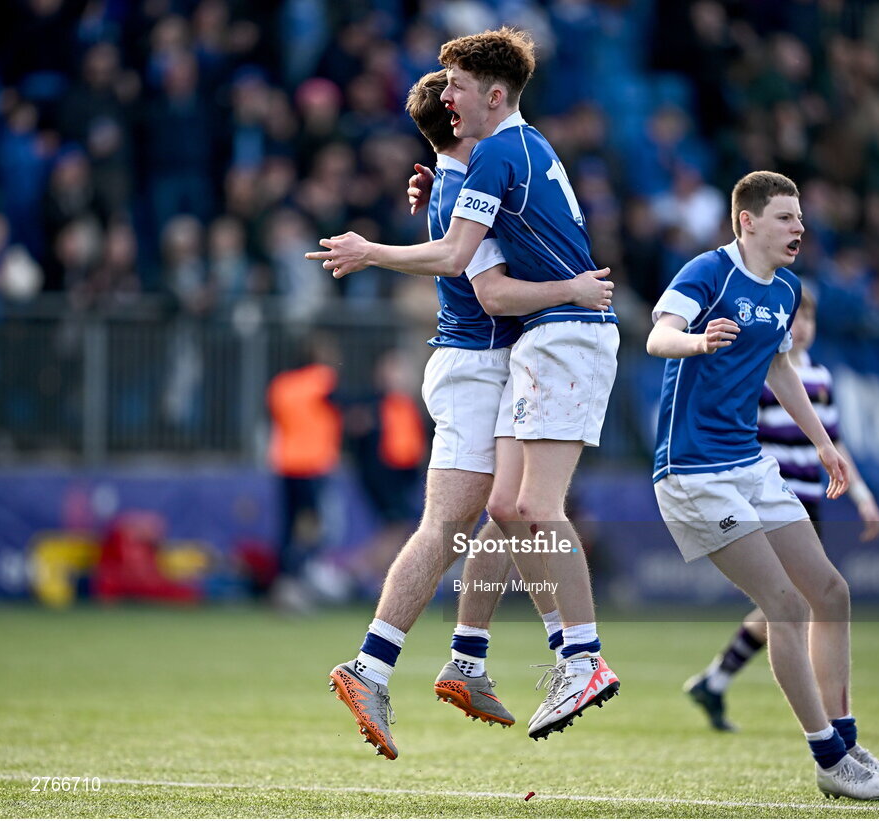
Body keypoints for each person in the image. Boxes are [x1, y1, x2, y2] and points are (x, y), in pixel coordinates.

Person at [309, 28, 621, 751]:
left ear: (487, 98)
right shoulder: (482, 169)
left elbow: (465, 253)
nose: (450, 96)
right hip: (480, 361)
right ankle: (397, 663)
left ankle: (468, 658)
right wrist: (571, 285)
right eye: (445, 90)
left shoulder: (481, 169)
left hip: (498, 358)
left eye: (456, 85)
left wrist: (389, 233)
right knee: (470, 520)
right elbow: (483, 284)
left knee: (505, 512)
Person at [646, 170, 879, 800]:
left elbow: (780, 366)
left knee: (831, 592)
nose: (799, 228)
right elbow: (656, 338)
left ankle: (846, 743)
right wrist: (696, 340)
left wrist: (825, 447)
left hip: (748, 465)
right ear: (748, 222)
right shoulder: (707, 273)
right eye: (786, 217)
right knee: (785, 607)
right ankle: (829, 760)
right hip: (692, 471)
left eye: (799, 217)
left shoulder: (788, 289)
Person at [684, 285, 879, 732]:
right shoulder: (763, 370)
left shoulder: (823, 379)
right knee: (800, 601)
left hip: (807, 503)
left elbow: (835, 443)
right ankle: (825, 719)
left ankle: (716, 680)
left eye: (811, 319)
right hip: (771, 498)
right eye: (797, 319)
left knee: (798, 601)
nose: (804, 327)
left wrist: (863, 495)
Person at [266, 334, 342, 612]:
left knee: (287, 526)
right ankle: (300, 578)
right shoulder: (322, 379)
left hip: (285, 462)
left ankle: (284, 582)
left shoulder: (281, 384)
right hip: (313, 464)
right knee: (315, 527)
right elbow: (341, 406)